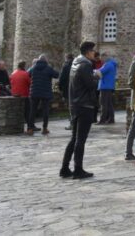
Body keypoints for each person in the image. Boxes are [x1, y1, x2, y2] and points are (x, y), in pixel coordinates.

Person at [60, 41, 98, 179]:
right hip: (84, 105)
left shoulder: (75, 63)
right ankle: (78, 169)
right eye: (93, 51)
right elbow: (90, 85)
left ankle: (65, 168)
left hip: (75, 104)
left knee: (74, 138)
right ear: (88, 52)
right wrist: (97, 76)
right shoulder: (86, 65)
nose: (94, 53)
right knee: (80, 139)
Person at [28, 54, 59, 135]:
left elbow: (28, 74)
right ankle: (44, 128)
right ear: (46, 60)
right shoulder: (48, 68)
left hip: (34, 92)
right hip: (45, 92)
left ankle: (30, 128)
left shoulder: (33, 68)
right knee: (45, 111)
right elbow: (56, 75)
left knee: (32, 110)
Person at [9, 61, 32, 132]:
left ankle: (13, 127)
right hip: (24, 95)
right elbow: (30, 83)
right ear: (24, 66)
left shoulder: (13, 73)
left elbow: (10, 84)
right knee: (27, 112)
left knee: (15, 112)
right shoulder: (25, 74)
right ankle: (29, 127)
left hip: (14, 95)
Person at [96, 52, 117, 125]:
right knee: (109, 104)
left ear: (105, 57)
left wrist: (94, 71)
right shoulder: (111, 64)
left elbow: (100, 71)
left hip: (105, 86)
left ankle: (102, 120)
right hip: (109, 86)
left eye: (102, 58)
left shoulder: (108, 64)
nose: (101, 60)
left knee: (103, 104)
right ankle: (111, 119)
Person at [58, 54, 73, 130]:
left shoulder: (66, 66)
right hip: (77, 89)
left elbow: (61, 79)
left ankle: (72, 124)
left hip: (67, 90)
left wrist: (60, 88)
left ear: (66, 58)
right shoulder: (76, 65)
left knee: (70, 107)